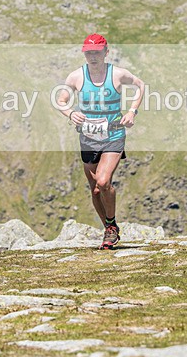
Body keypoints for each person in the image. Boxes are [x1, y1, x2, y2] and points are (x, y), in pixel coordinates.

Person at [56, 34, 145, 249]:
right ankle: (108, 228)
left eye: (96, 52)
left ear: (106, 52)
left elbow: (140, 85)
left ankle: (112, 226)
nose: (92, 57)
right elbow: (61, 100)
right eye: (88, 53)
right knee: (95, 189)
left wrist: (132, 112)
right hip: (88, 138)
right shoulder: (76, 77)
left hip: (113, 135)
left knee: (104, 182)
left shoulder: (118, 74)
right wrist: (69, 113)